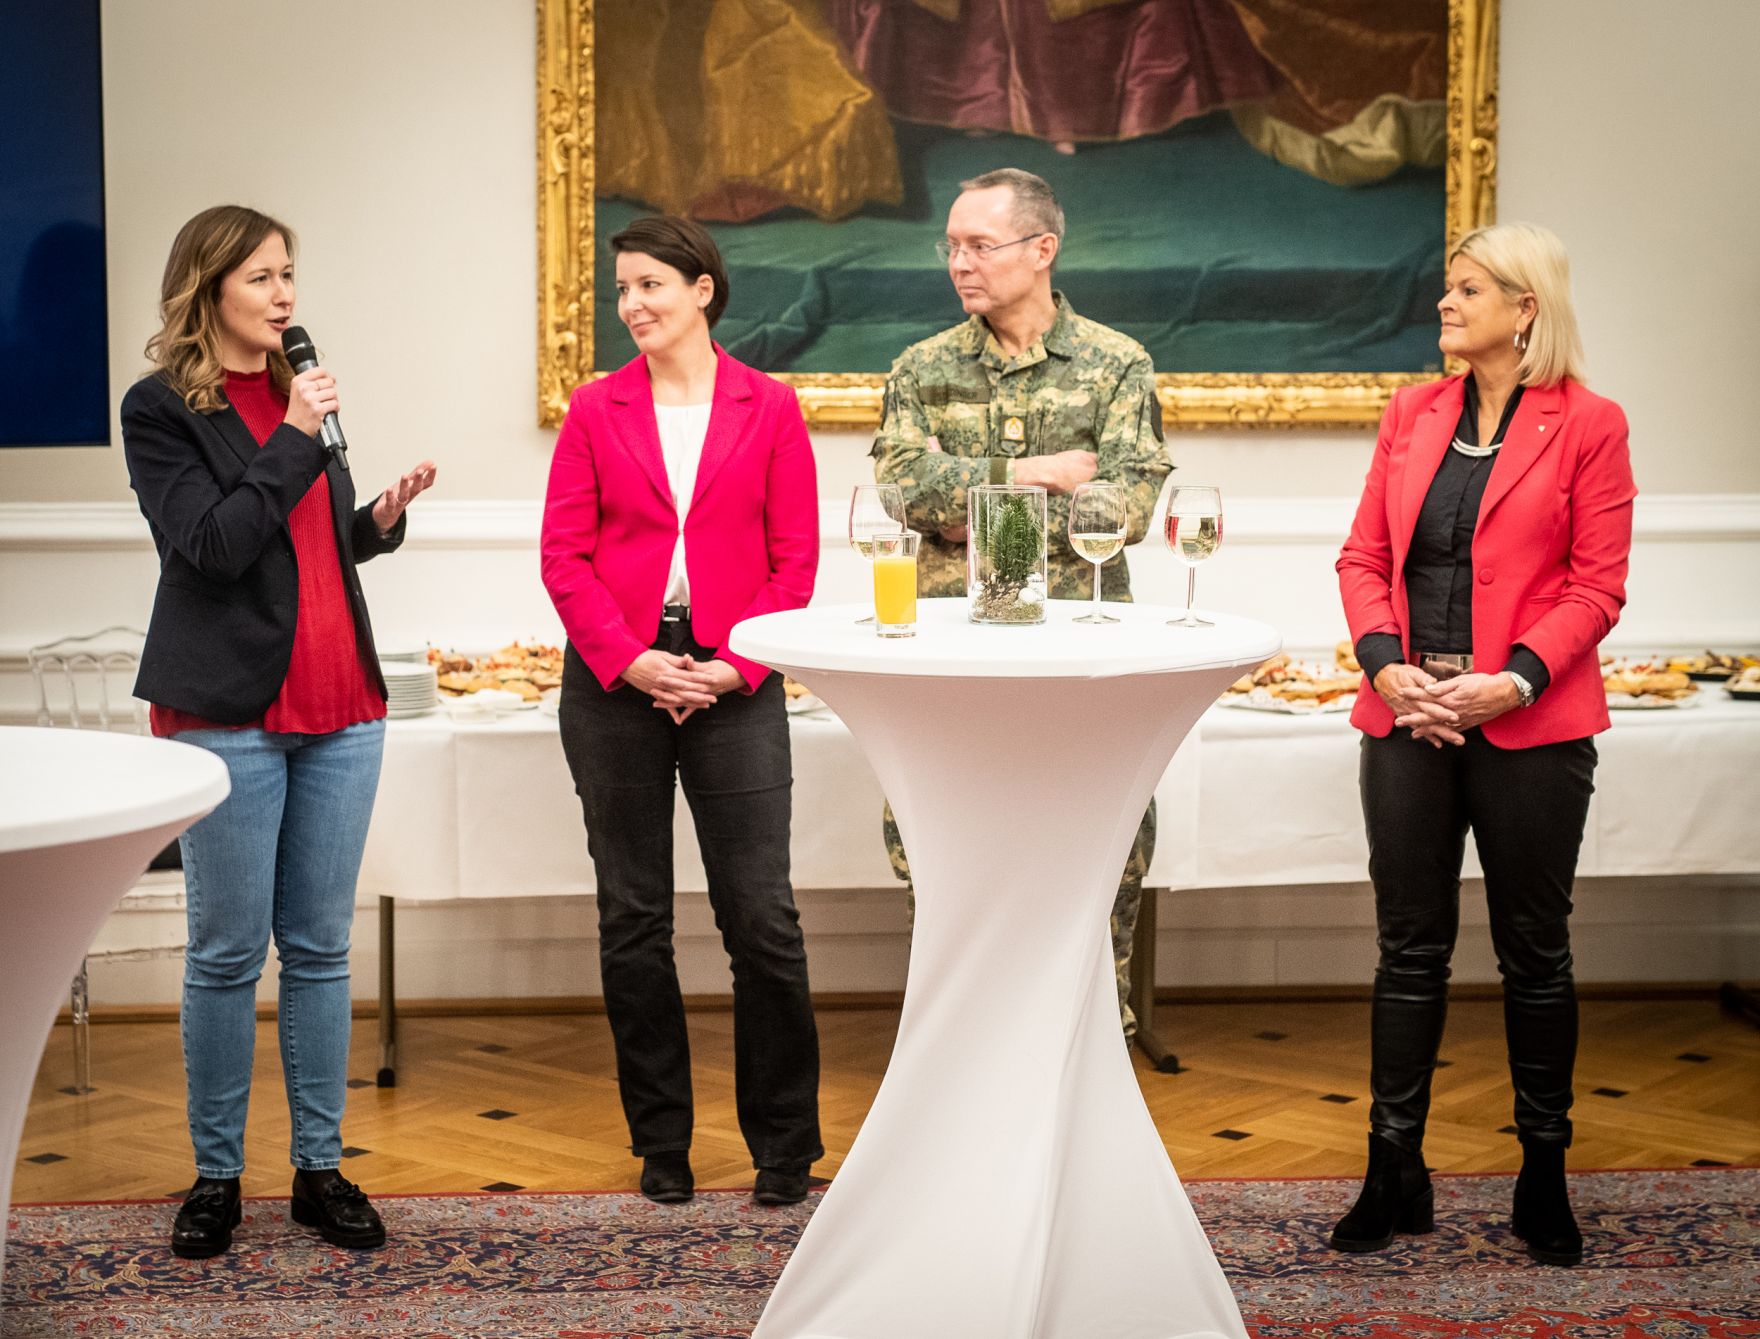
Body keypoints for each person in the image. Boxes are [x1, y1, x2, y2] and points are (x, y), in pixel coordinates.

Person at [121, 205, 437, 1258]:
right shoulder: (161, 408)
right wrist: (299, 434)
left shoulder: (302, 399)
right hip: (227, 713)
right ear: (209, 288)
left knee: (319, 946)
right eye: (262, 277)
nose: (285, 295)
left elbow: (305, 543)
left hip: (342, 703)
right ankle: (216, 1175)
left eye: (290, 274)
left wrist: (374, 526)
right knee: (223, 951)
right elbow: (213, 547)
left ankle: (318, 1168)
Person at [1333, 222, 1636, 1266]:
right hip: (1405, 717)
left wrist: (1507, 681)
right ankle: (1391, 1164)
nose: (1443, 305)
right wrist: (1385, 668)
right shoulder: (1410, 413)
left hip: (1532, 722)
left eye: (1465, 290)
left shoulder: (1589, 425)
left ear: (1524, 309)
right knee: (1406, 947)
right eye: (1445, 288)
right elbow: (1362, 556)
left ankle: (1542, 1175)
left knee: (1532, 954)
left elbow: (1597, 585)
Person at [541, 216, 823, 1207]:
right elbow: (562, 559)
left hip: (734, 687)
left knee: (763, 922)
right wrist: (632, 662)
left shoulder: (771, 407)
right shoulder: (593, 408)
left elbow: (796, 563)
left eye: (651, 284)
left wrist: (732, 666)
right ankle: (661, 1144)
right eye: (622, 289)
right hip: (616, 684)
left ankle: (784, 1147)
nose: (633, 305)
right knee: (634, 921)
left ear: (704, 289)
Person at [871, 168, 1169, 1036]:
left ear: (1043, 250)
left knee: (1095, 860)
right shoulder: (922, 368)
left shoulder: (1117, 365)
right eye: (952, 246)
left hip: (1080, 660)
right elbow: (901, 494)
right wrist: (1034, 476)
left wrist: (961, 501)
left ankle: (1089, 1055)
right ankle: (959, 1051)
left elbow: (1129, 508)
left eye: (979, 245)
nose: (959, 262)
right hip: (949, 664)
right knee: (943, 862)